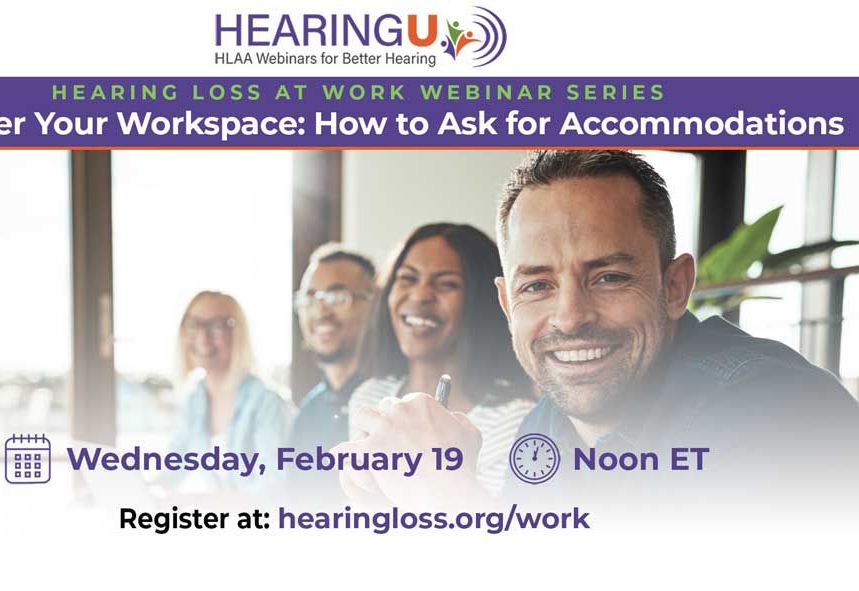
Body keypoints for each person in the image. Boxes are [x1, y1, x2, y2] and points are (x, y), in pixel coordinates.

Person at [335, 151, 859, 513]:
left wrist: (450, 501)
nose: (569, 316)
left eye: (608, 277)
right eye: (537, 285)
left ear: (675, 287)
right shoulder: (545, 430)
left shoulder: (778, 412)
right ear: (505, 303)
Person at [348, 223, 535, 496]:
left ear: (481, 300)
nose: (420, 295)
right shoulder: (368, 395)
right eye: (408, 279)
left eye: (447, 283)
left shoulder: (516, 421)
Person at [167, 290, 289, 495]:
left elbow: (272, 490)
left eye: (216, 326)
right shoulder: (194, 401)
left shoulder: (267, 403)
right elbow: (172, 470)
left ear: (238, 334)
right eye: (193, 325)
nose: (202, 338)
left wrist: (197, 505)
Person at [287, 243, 376, 500]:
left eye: (337, 298)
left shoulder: (393, 399)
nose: (320, 312)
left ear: (375, 305)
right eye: (310, 299)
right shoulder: (309, 411)